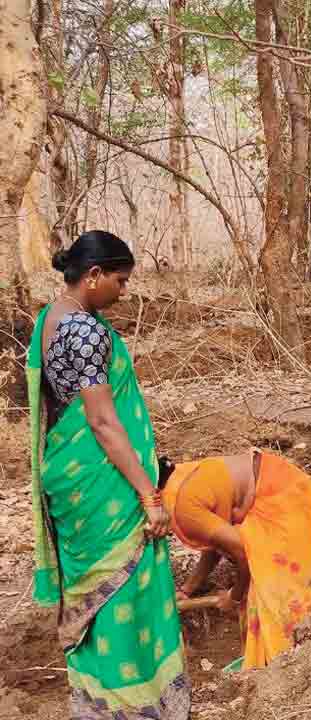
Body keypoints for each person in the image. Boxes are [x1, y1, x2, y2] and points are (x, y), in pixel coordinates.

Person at [25, 231, 190, 719]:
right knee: (126, 587)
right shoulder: (84, 330)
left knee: (96, 597)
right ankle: (132, 704)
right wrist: (149, 495)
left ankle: (96, 700)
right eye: (120, 281)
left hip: (74, 482)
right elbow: (100, 420)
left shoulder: (50, 318)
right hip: (105, 488)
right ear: (93, 275)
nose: (124, 291)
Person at [161, 450, 311, 669]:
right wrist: (188, 589)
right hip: (274, 480)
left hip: (282, 493)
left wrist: (234, 597)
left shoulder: (185, 509)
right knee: (262, 594)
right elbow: (216, 542)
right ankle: (270, 668)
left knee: (278, 594)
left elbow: (241, 552)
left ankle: (295, 668)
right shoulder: (181, 482)